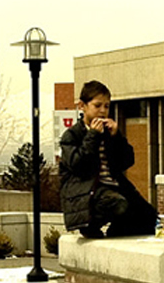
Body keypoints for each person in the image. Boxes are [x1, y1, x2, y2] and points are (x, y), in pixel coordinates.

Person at [61, 81, 158, 240]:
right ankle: (90, 225)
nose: (102, 111)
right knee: (118, 204)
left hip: (114, 186)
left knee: (148, 217)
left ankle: (117, 231)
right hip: (87, 192)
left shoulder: (108, 133)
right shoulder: (72, 135)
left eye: (106, 106)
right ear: (82, 106)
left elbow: (127, 161)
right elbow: (78, 165)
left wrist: (116, 137)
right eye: (97, 106)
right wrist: (92, 135)